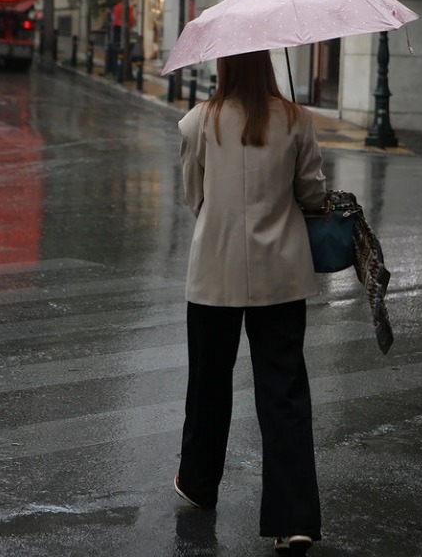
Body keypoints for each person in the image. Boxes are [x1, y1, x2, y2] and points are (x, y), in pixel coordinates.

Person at [174, 50, 327, 556]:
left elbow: (193, 197)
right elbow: (311, 195)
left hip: (214, 270)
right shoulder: (296, 119)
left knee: (209, 381)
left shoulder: (199, 122)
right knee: (283, 391)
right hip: (280, 272)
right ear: (266, 63)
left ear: (224, 67)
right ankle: (294, 517)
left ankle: (198, 482)